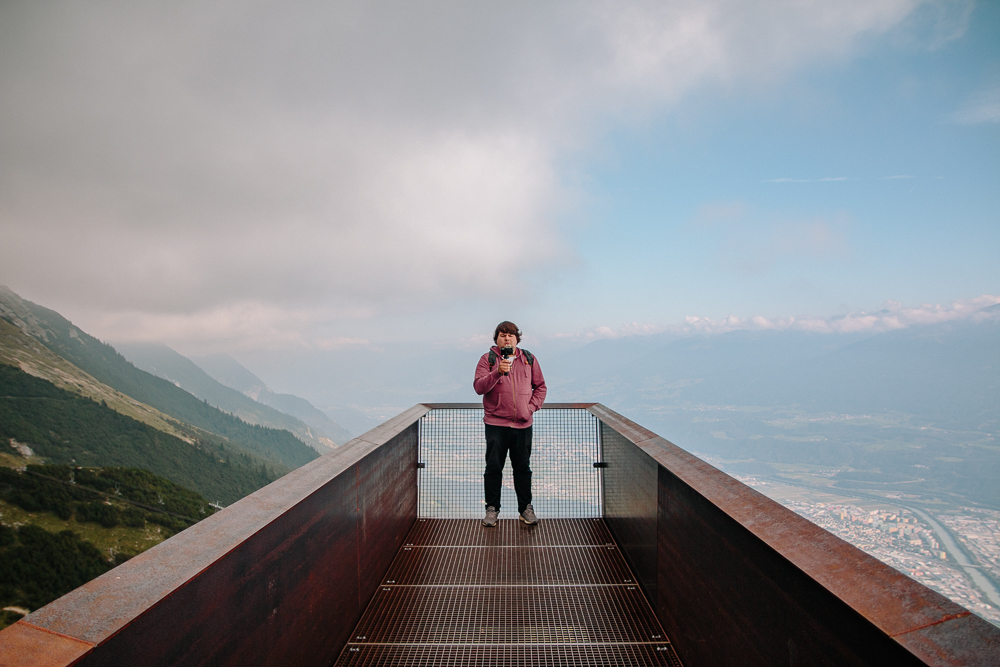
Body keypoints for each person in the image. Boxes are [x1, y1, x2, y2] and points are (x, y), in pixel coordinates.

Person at [473, 321, 547, 527]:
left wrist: (530, 408)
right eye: (503, 335)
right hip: (496, 423)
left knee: (522, 468)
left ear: (517, 339)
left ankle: (525, 508)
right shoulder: (487, 360)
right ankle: (492, 509)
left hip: (523, 423)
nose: (507, 338)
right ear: (496, 339)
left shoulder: (528, 359)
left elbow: (540, 387)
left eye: (511, 335)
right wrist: (497, 372)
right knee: (494, 467)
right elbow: (479, 387)